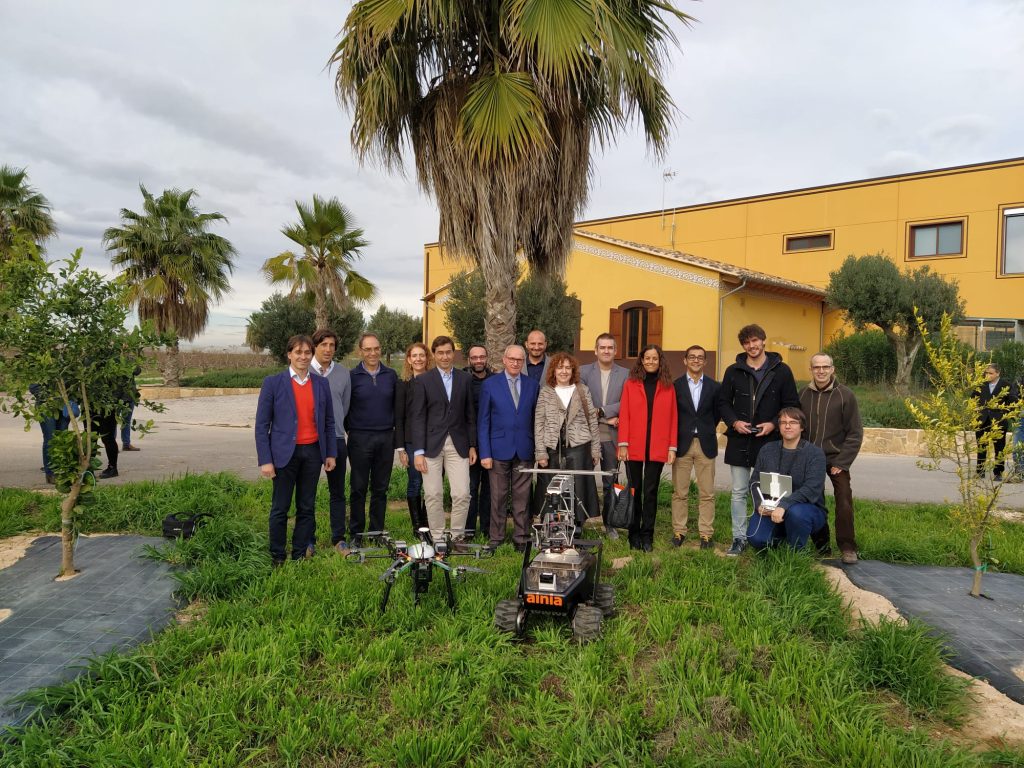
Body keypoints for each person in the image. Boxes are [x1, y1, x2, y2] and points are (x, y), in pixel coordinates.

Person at [717, 324, 800, 556]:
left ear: (763, 341)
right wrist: (734, 422)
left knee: (768, 492)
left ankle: (764, 537)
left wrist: (774, 423)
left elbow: (791, 404)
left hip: (770, 442)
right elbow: (723, 402)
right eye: (746, 343)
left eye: (755, 341)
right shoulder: (733, 371)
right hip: (739, 440)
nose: (751, 346)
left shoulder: (782, 371)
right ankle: (739, 538)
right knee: (739, 491)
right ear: (743, 346)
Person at [255, 334, 337, 565]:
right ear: (289, 354)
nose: (303, 356)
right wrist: (266, 460)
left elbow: (329, 422)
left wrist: (330, 453)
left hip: (312, 453)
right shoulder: (273, 383)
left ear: (312, 355)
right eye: (298, 352)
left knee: (307, 507)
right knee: (280, 508)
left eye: (307, 352)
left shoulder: (321, 383)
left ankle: (300, 554)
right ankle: (278, 556)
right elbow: (262, 425)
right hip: (283, 456)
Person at [411, 335, 477, 542]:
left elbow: (470, 415)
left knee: (462, 494)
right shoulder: (423, 380)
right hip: (430, 446)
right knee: (433, 495)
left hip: (459, 444)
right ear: (434, 355)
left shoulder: (465, 379)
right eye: (440, 353)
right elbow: (418, 416)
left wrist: (473, 445)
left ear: (453, 353)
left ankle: (456, 538)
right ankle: (438, 539)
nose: (445, 356)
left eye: (448, 352)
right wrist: (418, 452)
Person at [800, 352, 864, 564]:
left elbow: (855, 433)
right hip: (810, 459)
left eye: (825, 367)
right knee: (814, 501)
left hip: (837, 458)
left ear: (832, 369)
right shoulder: (803, 395)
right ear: (811, 369)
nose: (821, 371)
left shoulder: (845, 395)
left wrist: (842, 462)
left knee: (844, 500)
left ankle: (847, 547)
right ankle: (822, 546)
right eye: (816, 367)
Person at [478, 344, 540, 550]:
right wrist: (485, 453)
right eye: (511, 359)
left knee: (522, 499)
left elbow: (536, 420)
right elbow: (483, 421)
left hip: (524, 448)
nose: (515, 363)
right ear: (504, 360)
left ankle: (522, 537)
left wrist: (538, 449)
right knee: (498, 496)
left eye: (519, 360)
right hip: (497, 450)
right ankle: (496, 538)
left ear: (523, 362)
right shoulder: (490, 384)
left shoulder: (532, 385)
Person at [617, 344, 678, 551]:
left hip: (657, 446)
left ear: (660, 361)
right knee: (635, 490)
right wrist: (622, 444)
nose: (651, 362)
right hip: (633, 444)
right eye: (647, 358)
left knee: (651, 492)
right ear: (641, 360)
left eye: (655, 358)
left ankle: (647, 535)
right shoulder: (631, 384)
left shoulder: (668, 386)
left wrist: (672, 447)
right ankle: (633, 534)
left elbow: (673, 418)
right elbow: (624, 414)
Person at [534, 352, 601, 526]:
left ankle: (577, 527)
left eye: (567, 367)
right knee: (552, 489)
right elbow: (539, 423)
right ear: (553, 370)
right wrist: (540, 451)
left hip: (579, 446)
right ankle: (552, 526)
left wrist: (595, 449)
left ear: (573, 370)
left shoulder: (582, 390)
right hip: (552, 447)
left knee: (578, 488)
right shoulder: (546, 392)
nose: (564, 371)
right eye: (560, 367)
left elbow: (592, 421)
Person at [746, 407, 827, 551]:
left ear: (802, 427)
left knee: (797, 514)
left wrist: (784, 505)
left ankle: (796, 550)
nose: (787, 426)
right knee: (756, 539)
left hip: (806, 509)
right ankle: (780, 538)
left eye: (793, 422)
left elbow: (811, 488)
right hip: (771, 507)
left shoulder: (815, 454)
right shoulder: (767, 450)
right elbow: (755, 482)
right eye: (783, 422)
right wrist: (759, 504)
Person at [346, 333, 398, 540]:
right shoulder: (351, 377)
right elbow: (344, 406)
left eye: (376, 348)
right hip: (359, 438)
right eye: (367, 349)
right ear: (360, 352)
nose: (372, 353)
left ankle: (376, 532)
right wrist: (351, 429)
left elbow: (397, 405)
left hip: (386, 438)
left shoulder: (391, 375)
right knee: (358, 487)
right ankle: (356, 533)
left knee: (380, 488)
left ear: (381, 349)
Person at [580, 333, 629, 539]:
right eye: (602, 347)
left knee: (612, 479)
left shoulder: (626, 373)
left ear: (615, 351)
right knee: (583, 479)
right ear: (596, 350)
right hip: (587, 436)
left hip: (613, 436)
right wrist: (607, 416)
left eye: (610, 347)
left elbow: (626, 402)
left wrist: (601, 412)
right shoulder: (583, 372)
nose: (606, 351)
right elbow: (581, 402)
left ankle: (610, 523)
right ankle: (579, 522)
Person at [671, 345, 720, 550]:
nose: (696, 360)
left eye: (700, 357)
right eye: (692, 357)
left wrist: (706, 429)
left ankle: (706, 534)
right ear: (685, 360)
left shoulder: (715, 386)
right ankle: (679, 531)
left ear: (705, 362)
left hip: (705, 443)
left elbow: (717, 414)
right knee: (679, 492)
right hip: (682, 443)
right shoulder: (675, 386)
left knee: (707, 492)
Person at [310, 328, 352, 553]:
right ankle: (308, 539)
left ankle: (338, 538)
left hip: (335, 439)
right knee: (308, 492)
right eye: (323, 344)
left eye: (331, 345)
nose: (328, 349)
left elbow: (344, 407)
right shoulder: (304, 370)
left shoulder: (344, 373)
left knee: (337, 492)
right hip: (309, 441)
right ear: (315, 346)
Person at [394, 342, 433, 533]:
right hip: (411, 441)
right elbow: (399, 418)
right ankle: (417, 525)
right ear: (409, 360)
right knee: (415, 481)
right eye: (414, 356)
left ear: (427, 358)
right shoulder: (403, 385)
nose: (418, 359)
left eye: (422, 355)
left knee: (433, 483)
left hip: (434, 440)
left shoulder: (436, 382)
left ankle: (428, 521)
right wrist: (401, 448)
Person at [464, 344, 494, 539]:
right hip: (469, 443)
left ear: (487, 358)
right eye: (474, 357)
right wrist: (469, 444)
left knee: (490, 488)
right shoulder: (463, 380)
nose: (478, 361)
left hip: (491, 442)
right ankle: (468, 530)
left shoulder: (495, 380)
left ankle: (487, 528)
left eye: (481, 357)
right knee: (470, 487)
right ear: (469, 359)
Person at [975, 363, 1019, 482]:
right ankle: (980, 472)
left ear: (997, 373)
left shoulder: (1006, 385)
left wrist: (1002, 412)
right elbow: (973, 399)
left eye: (990, 373)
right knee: (981, 447)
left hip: (999, 422)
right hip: (982, 421)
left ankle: (998, 473)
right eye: (986, 373)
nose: (987, 375)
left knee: (999, 448)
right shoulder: (980, 384)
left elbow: (1013, 402)